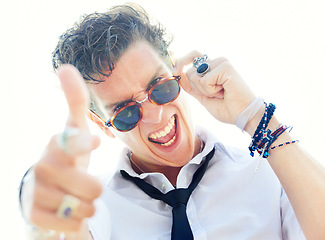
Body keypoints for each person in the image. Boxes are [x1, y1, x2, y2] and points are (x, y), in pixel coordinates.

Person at [19, 3, 325, 240]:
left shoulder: (269, 174)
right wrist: (38, 202)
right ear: (101, 126)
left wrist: (256, 115)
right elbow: (61, 226)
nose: (156, 115)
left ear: (175, 69)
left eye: (160, 87)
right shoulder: (93, 208)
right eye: (126, 112)